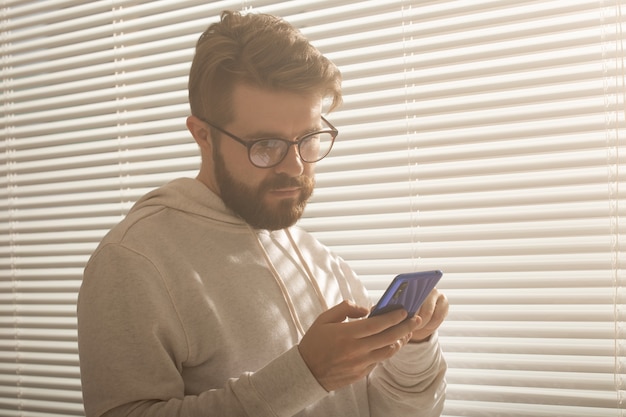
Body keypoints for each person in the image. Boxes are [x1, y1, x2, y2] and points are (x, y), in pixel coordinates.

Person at [77, 10, 448, 417]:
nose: (293, 166)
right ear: (203, 135)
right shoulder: (133, 261)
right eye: (266, 145)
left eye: (308, 138)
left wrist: (414, 347)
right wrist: (307, 374)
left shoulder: (319, 258)